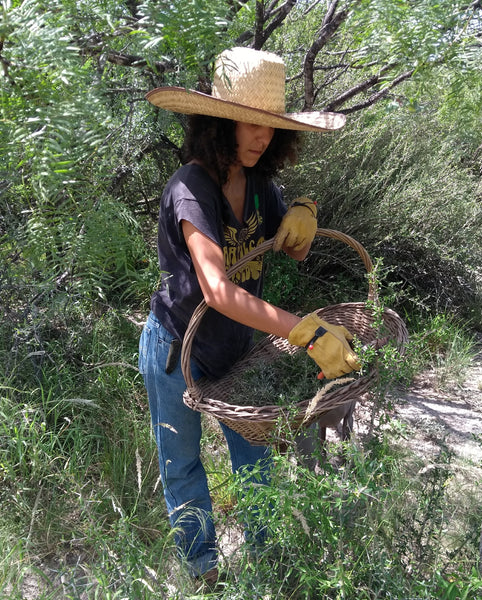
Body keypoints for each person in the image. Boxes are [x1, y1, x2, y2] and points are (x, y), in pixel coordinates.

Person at [138, 46, 361, 584]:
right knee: (182, 463)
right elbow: (216, 288)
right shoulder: (190, 188)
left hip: (239, 348)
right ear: (218, 125)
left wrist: (305, 214)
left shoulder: (263, 185)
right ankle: (204, 573)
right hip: (178, 351)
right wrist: (304, 331)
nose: (260, 137)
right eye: (246, 124)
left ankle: (267, 570)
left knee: (255, 462)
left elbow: (294, 248)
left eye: (268, 128)